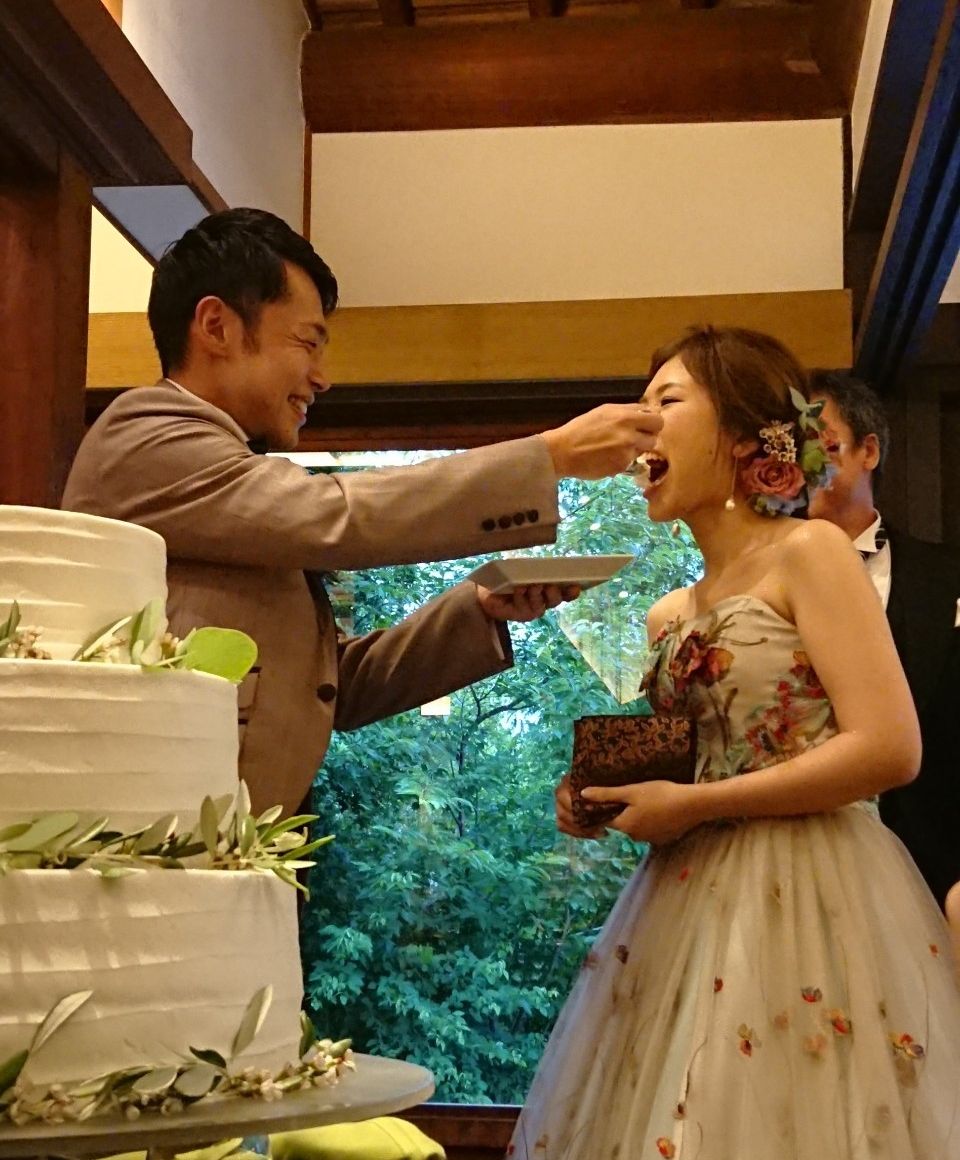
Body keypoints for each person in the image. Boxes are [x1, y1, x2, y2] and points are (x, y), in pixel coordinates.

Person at [509, 326, 960, 1159]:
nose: (642, 425)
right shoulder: (669, 613)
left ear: (746, 433)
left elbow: (891, 748)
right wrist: (599, 795)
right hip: (685, 897)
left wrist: (694, 805)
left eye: (667, 401)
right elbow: (690, 761)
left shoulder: (811, 552)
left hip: (812, 888)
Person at [62, 208, 661, 818]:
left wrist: (478, 608)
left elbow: (328, 686)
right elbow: (336, 515)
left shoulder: (226, 473)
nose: (321, 378)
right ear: (216, 326)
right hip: (156, 834)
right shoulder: (146, 435)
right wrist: (549, 456)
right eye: (307, 343)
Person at [806, 370, 960, 910]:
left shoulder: (949, 578)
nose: (802, 463)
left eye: (821, 444)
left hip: (937, 866)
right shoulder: (756, 592)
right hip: (805, 864)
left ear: (867, 451)